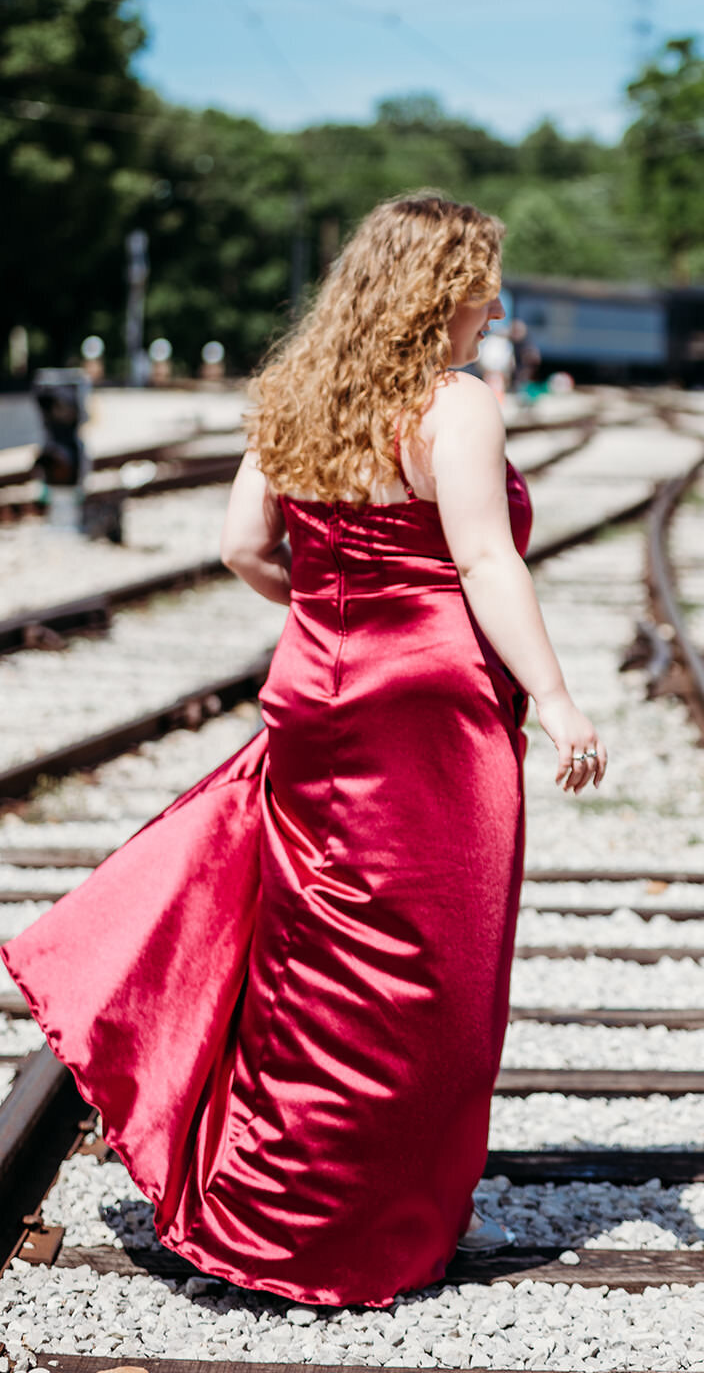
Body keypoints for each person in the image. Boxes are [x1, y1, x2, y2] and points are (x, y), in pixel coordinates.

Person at [1, 193, 607, 1310]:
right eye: (482, 283)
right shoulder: (454, 407)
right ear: (440, 290)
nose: (493, 306)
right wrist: (556, 697)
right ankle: (366, 1231)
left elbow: (241, 546)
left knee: (313, 966)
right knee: (425, 977)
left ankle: (269, 1212)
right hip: (428, 708)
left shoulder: (293, 394)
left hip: (312, 691)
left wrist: (336, 606)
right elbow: (481, 560)